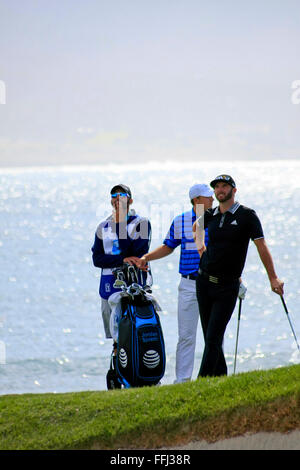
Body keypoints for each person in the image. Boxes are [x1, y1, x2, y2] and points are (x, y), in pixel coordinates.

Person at [193, 174, 284, 378]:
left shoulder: (247, 215)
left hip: (227, 287)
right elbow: (196, 228)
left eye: (225, 186)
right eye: (217, 187)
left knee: (214, 336)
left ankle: (200, 382)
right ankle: (220, 378)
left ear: (234, 190)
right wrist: (203, 252)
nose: (220, 190)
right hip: (204, 282)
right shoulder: (210, 214)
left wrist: (273, 278)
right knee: (210, 337)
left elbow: (261, 246)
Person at [135, 183, 214, 383]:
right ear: (196, 200)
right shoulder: (180, 221)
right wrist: (146, 258)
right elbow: (168, 246)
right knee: (186, 336)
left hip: (213, 283)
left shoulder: (219, 219)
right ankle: (182, 380)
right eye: (207, 196)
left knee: (213, 335)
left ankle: (213, 377)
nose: (212, 199)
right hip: (188, 284)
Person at [91, 184, 152, 344]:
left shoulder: (142, 223)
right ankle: (118, 361)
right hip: (108, 283)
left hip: (133, 283)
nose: (117, 198)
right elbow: (97, 259)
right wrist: (121, 260)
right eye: (114, 195)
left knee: (133, 328)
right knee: (115, 334)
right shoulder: (102, 226)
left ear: (130, 200)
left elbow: (137, 255)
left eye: (122, 195)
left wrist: (120, 224)